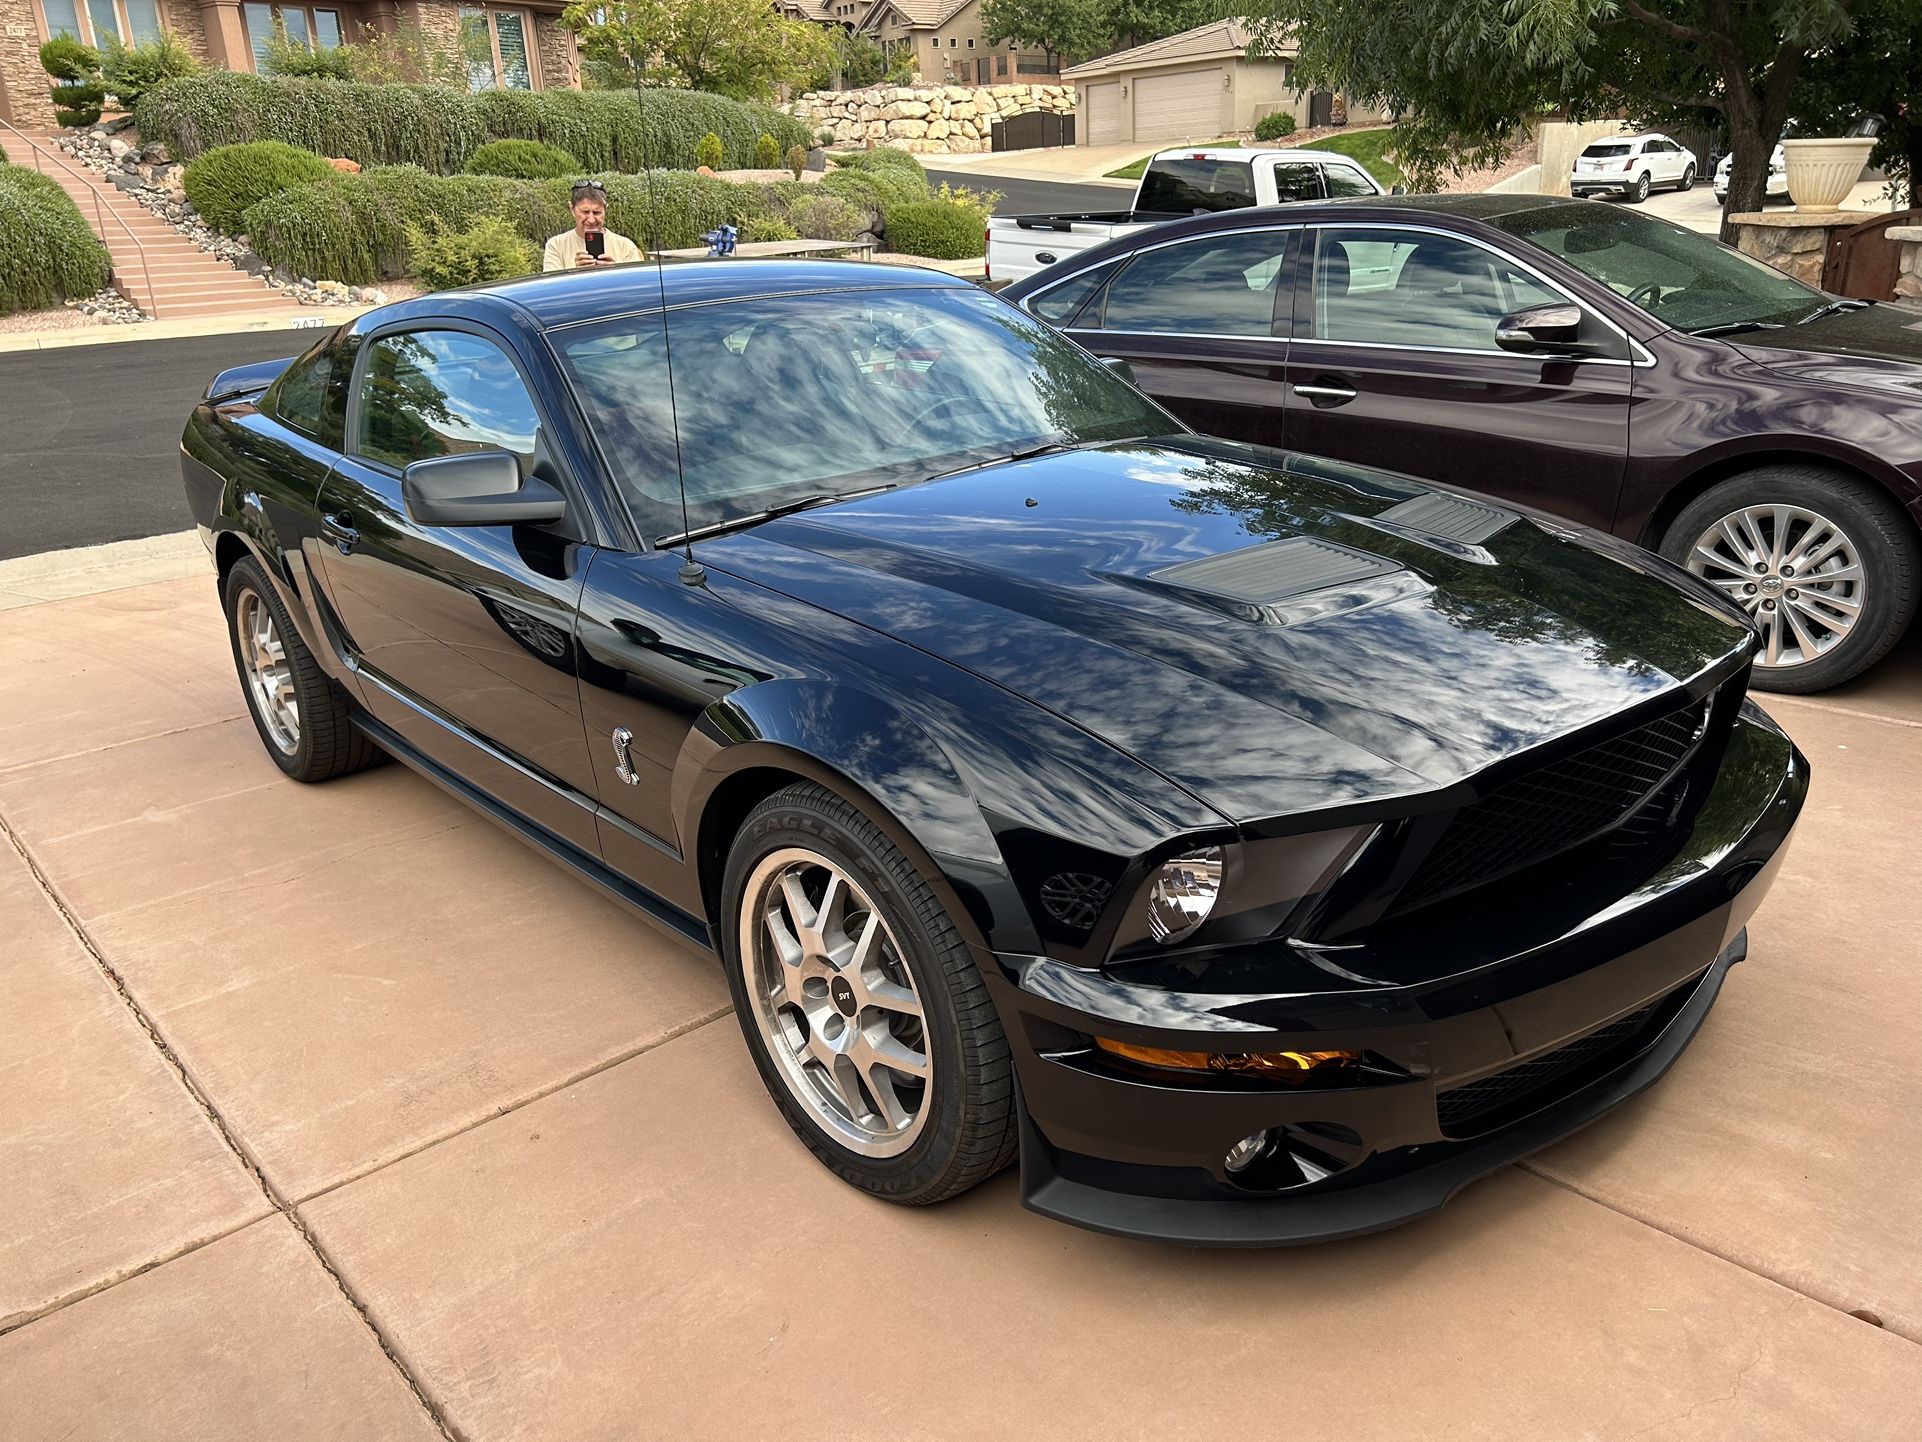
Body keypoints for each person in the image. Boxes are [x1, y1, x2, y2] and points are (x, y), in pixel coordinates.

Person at [543, 180, 643, 272]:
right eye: (585, 212)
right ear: (572, 209)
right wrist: (576, 272)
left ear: (606, 210)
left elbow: (638, 287)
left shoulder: (626, 247)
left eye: (597, 212)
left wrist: (614, 273)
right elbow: (551, 289)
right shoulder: (556, 246)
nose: (591, 219)